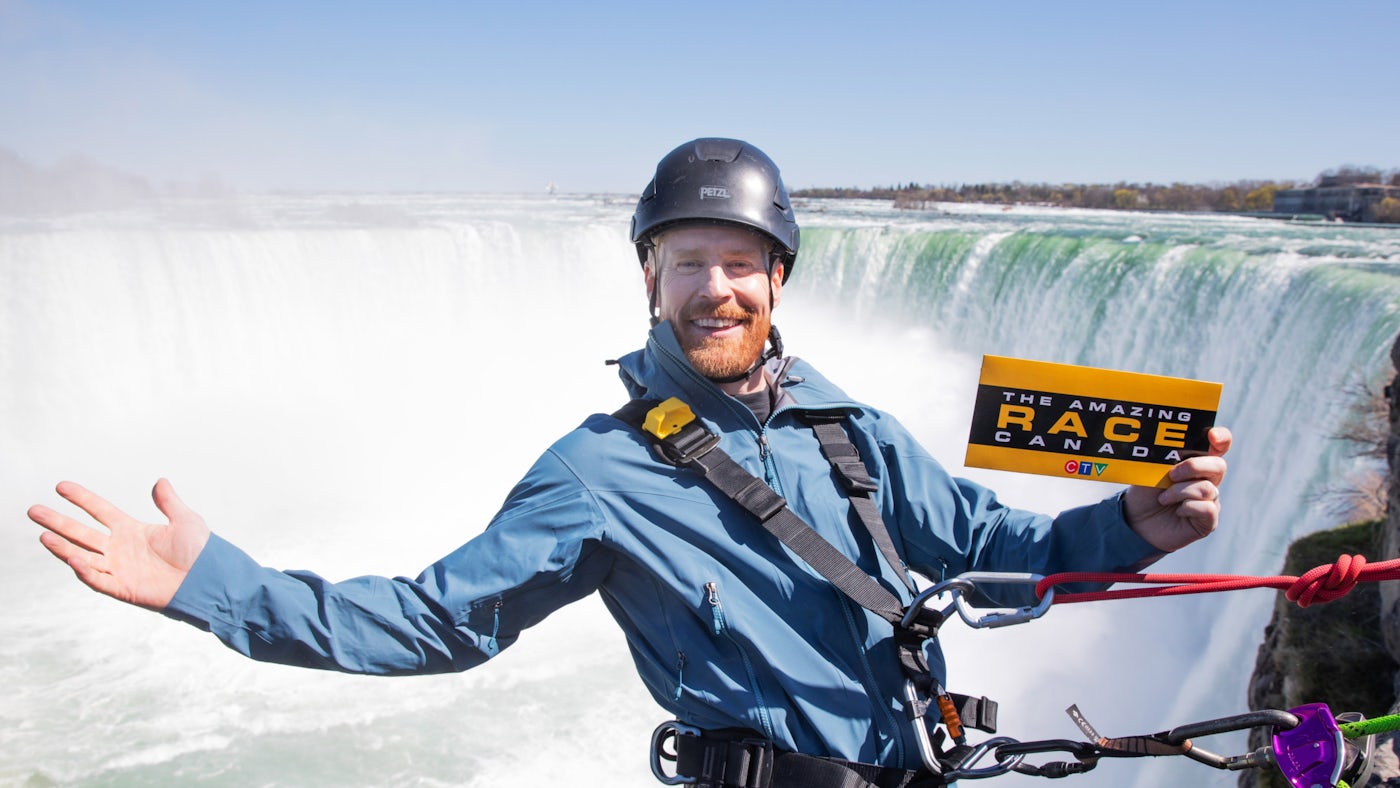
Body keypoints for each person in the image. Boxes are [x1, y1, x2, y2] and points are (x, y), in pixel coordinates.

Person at [29, 138, 1230, 788]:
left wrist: (1136, 524)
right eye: (687, 259)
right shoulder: (595, 472)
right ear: (647, 279)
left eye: (740, 261)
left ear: (776, 281)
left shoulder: (837, 419)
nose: (716, 285)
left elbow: (985, 543)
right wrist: (211, 584)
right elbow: (435, 621)